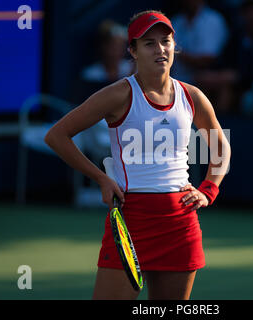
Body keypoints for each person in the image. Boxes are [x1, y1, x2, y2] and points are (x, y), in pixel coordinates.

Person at [44, 10, 231, 300]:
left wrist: (209, 189)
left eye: (166, 41)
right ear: (132, 51)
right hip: (131, 220)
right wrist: (101, 178)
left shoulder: (192, 95)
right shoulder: (117, 94)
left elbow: (220, 144)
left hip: (180, 222)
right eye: (149, 43)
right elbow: (57, 136)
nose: (160, 49)